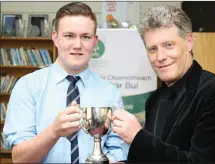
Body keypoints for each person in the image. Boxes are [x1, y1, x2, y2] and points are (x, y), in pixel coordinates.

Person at [3, 2, 128, 163]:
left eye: (85, 37)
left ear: (95, 41)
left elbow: (118, 151)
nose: (77, 45)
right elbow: (20, 159)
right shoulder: (27, 87)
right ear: (55, 38)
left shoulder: (110, 93)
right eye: (69, 36)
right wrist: (53, 132)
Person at [112, 4, 215, 163]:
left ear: (189, 41)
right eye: (152, 49)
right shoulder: (154, 100)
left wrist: (138, 138)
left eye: (168, 45)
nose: (160, 57)